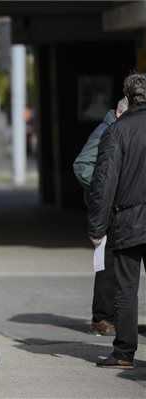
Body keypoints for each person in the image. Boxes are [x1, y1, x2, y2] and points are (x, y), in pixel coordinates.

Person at [88, 73, 146, 369]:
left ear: (127, 95)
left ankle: (124, 352)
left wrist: (97, 228)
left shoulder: (117, 131)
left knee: (126, 289)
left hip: (129, 221)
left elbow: (104, 183)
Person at [73, 97, 128, 336]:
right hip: (108, 206)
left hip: (123, 206)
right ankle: (102, 318)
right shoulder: (106, 130)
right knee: (107, 263)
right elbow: (82, 165)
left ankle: (112, 316)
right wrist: (104, 187)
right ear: (120, 112)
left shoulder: (121, 129)